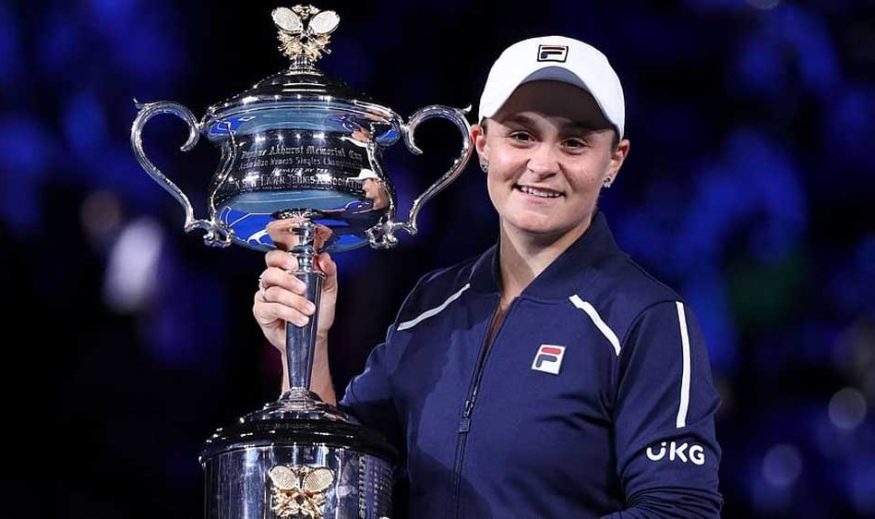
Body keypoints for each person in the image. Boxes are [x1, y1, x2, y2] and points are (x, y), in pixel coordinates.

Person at [253, 35, 723, 518]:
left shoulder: (648, 320)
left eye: (574, 142)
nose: (542, 164)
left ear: (614, 160)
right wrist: (306, 338)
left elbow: (679, 509)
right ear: (481, 145)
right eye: (521, 135)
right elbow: (341, 483)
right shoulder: (433, 304)